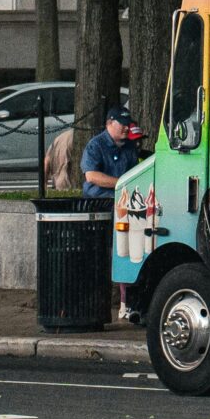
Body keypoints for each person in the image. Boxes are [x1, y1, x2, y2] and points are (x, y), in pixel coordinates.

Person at [80, 107, 141, 321]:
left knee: (126, 251)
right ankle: (98, 302)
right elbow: (91, 176)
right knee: (104, 253)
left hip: (124, 205)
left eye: (127, 124)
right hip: (100, 205)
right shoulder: (95, 145)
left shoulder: (130, 146)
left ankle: (127, 304)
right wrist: (122, 183)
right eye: (121, 123)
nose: (125, 127)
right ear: (109, 124)